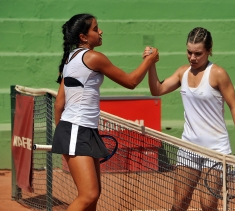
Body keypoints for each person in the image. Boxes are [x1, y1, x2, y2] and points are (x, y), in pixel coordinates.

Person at [51, 13, 159, 211]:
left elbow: (59, 103)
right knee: (88, 195)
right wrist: (150, 60)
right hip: (76, 129)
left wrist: (62, 133)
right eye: (95, 28)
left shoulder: (70, 59)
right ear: (83, 37)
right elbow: (131, 81)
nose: (100, 32)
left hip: (80, 130)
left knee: (93, 198)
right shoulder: (92, 57)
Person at [144, 27, 235, 210]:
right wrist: (151, 63)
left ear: (209, 50)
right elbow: (157, 90)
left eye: (198, 53)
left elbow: (234, 107)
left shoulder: (218, 74)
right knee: (179, 202)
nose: (192, 57)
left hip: (215, 150)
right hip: (189, 147)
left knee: (208, 205)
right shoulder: (182, 72)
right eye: (189, 52)